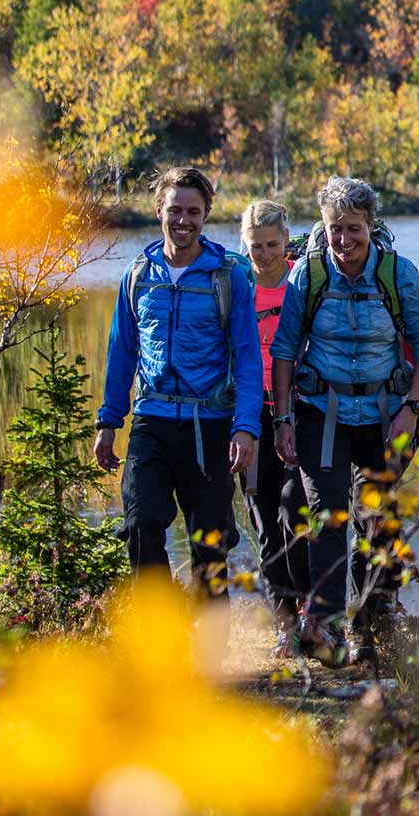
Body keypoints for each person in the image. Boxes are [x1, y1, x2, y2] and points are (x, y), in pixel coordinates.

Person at [271, 177, 419, 667]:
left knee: (376, 516)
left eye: (353, 229)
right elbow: (285, 350)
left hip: (387, 416)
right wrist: (282, 418)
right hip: (321, 413)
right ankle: (324, 629)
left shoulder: (399, 274)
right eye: (333, 229)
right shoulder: (309, 275)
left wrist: (413, 410)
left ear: (370, 226)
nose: (342, 240)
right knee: (327, 516)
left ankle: (376, 623)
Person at [94, 167, 262, 596]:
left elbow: (247, 359)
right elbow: (122, 351)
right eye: (175, 210)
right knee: (140, 524)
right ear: (159, 211)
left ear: (205, 216)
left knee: (210, 545)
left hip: (210, 425)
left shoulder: (228, 278)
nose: (183, 220)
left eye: (193, 211)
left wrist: (245, 427)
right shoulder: (138, 275)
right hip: (153, 420)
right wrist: (109, 421)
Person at [238, 199, 310, 654]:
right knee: (264, 517)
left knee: (295, 508)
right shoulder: (236, 285)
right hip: (249, 412)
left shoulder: (302, 284)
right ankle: (285, 622)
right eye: (255, 245)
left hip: (300, 408)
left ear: (286, 241)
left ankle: (311, 611)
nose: (264, 254)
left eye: (271, 244)